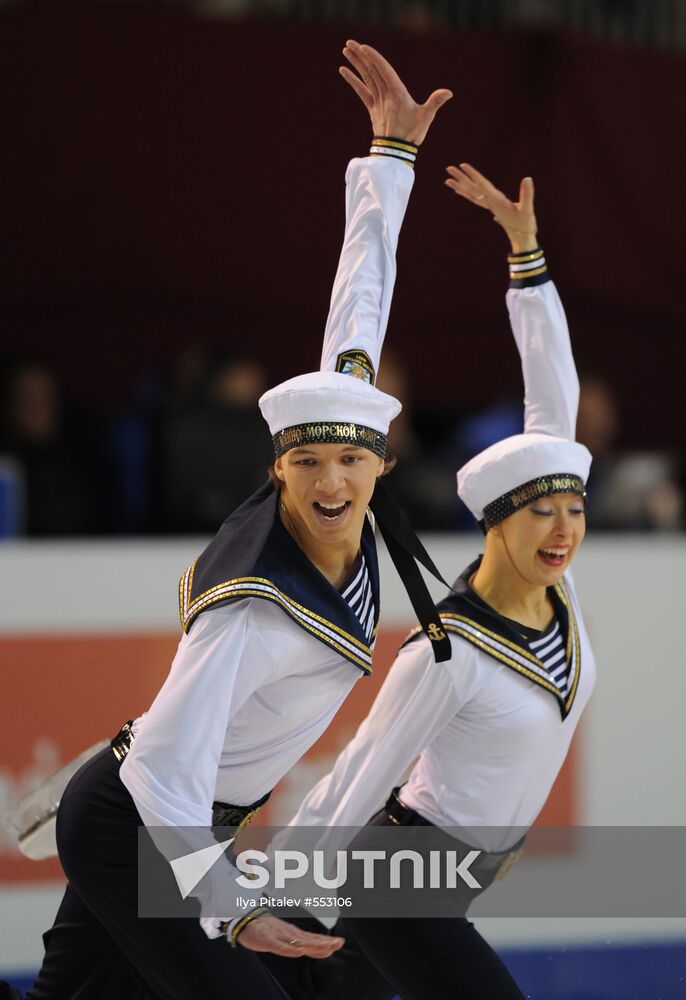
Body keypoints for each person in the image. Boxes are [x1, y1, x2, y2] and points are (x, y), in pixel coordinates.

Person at [10, 42, 453, 1000]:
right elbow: (167, 770)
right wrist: (235, 907)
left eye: (350, 459)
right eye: (307, 465)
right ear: (276, 469)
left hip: (174, 814)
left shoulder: (342, 468)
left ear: (381, 457)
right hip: (141, 822)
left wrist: (389, 161)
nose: (332, 481)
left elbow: (357, 312)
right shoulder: (254, 605)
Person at [281, 162, 597, 1000]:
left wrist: (527, 259)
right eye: (541, 514)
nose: (564, 529)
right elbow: (355, 776)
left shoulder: (555, 594)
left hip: (443, 882)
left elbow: (551, 409)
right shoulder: (450, 650)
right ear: (495, 524)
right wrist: (271, 896)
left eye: (575, 509)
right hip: (397, 883)